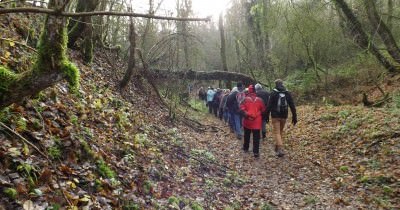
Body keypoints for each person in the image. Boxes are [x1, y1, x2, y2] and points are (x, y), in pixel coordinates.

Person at [266, 79, 297, 157]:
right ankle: (277, 147)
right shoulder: (287, 93)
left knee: (277, 132)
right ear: (282, 84)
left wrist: (266, 115)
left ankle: (280, 149)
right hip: (284, 116)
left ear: (275, 84)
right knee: (280, 132)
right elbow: (292, 105)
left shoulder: (273, 93)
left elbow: (269, 105)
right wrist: (294, 116)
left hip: (275, 116)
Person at [239, 85, 266, 158]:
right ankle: (256, 152)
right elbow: (263, 110)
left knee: (247, 135)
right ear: (255, 91)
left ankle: (246, 148)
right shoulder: (260, 100)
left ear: (249, 91)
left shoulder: (244, 99)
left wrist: (247, 115)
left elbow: (241, 109)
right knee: (256, 137)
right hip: (257, 122)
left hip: (247, 121)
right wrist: (258, 114)